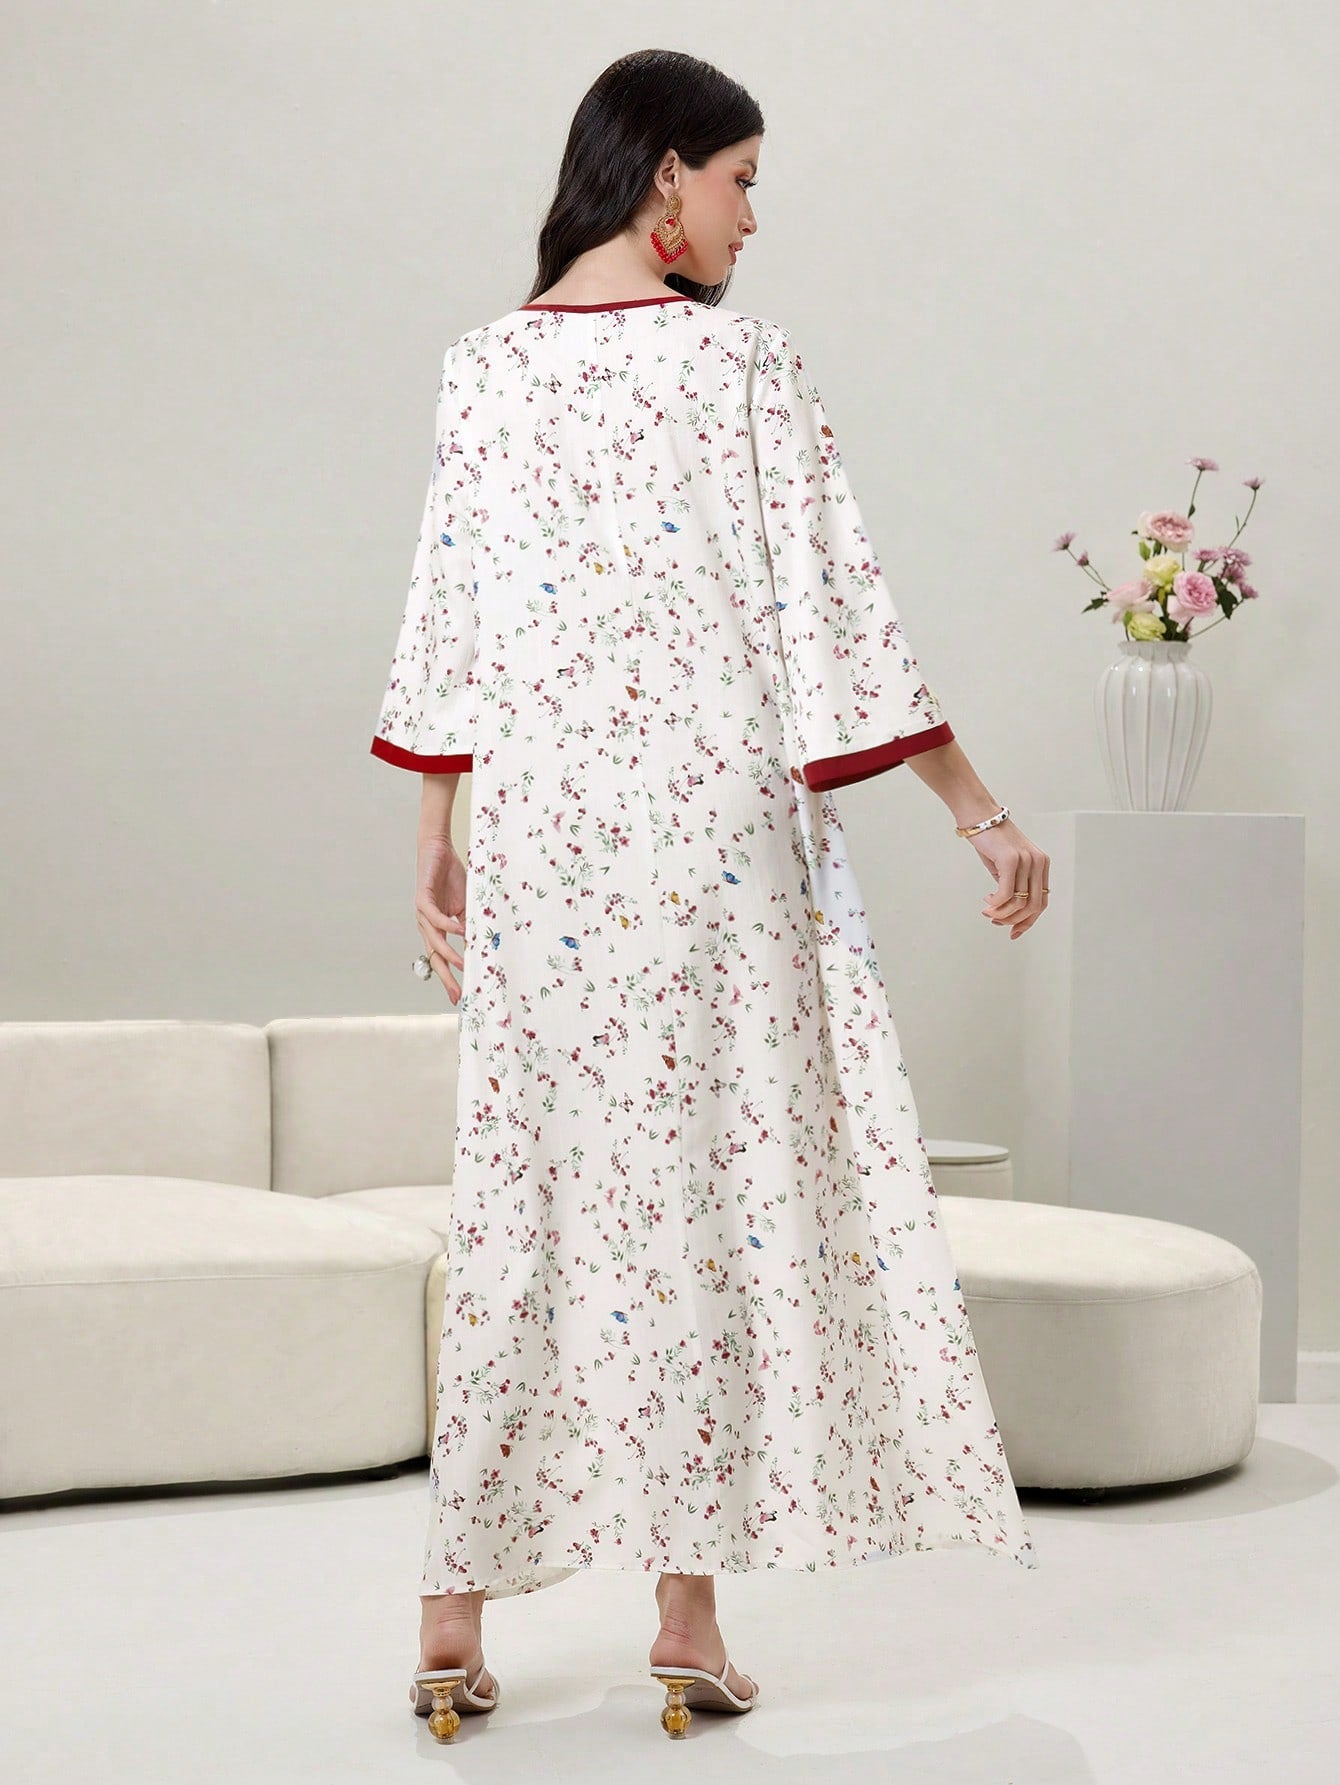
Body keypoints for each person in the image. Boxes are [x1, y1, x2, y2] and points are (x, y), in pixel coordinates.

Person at [372, 48, 1047, 1744]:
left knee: (522, 1198)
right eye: (742, 179)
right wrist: (978, 811)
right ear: (664, 172)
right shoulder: (737, 364)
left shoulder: (482, 370)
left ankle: (451, 1622)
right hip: (710, 846)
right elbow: (839, 611)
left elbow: (453, 616)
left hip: (545, 841)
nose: (754, 216)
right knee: (704, 1201)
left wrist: (440, 829)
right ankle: (686, 1620)